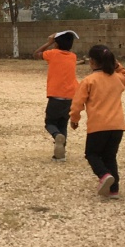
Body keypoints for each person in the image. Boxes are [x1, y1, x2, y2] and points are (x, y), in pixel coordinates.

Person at [70, 45, 125, 199]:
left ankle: (104, 175)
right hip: (117, 126)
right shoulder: (117, 79)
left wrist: (74, 119)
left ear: (91, 61)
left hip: (98, 126)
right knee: (110, 157)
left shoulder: (89, 80)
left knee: (91, 154)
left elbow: (77, 103)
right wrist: (116, 64)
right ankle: (113, 190)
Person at [33, 31, 79, 161]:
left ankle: (57, 135)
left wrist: (49, 42)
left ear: (56, 43)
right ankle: (60, 155)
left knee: (50, 123)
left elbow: (36, 54)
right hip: (70, 97)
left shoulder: (52, 54)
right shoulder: (73, 56)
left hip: (56, 96)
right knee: (63, 123)